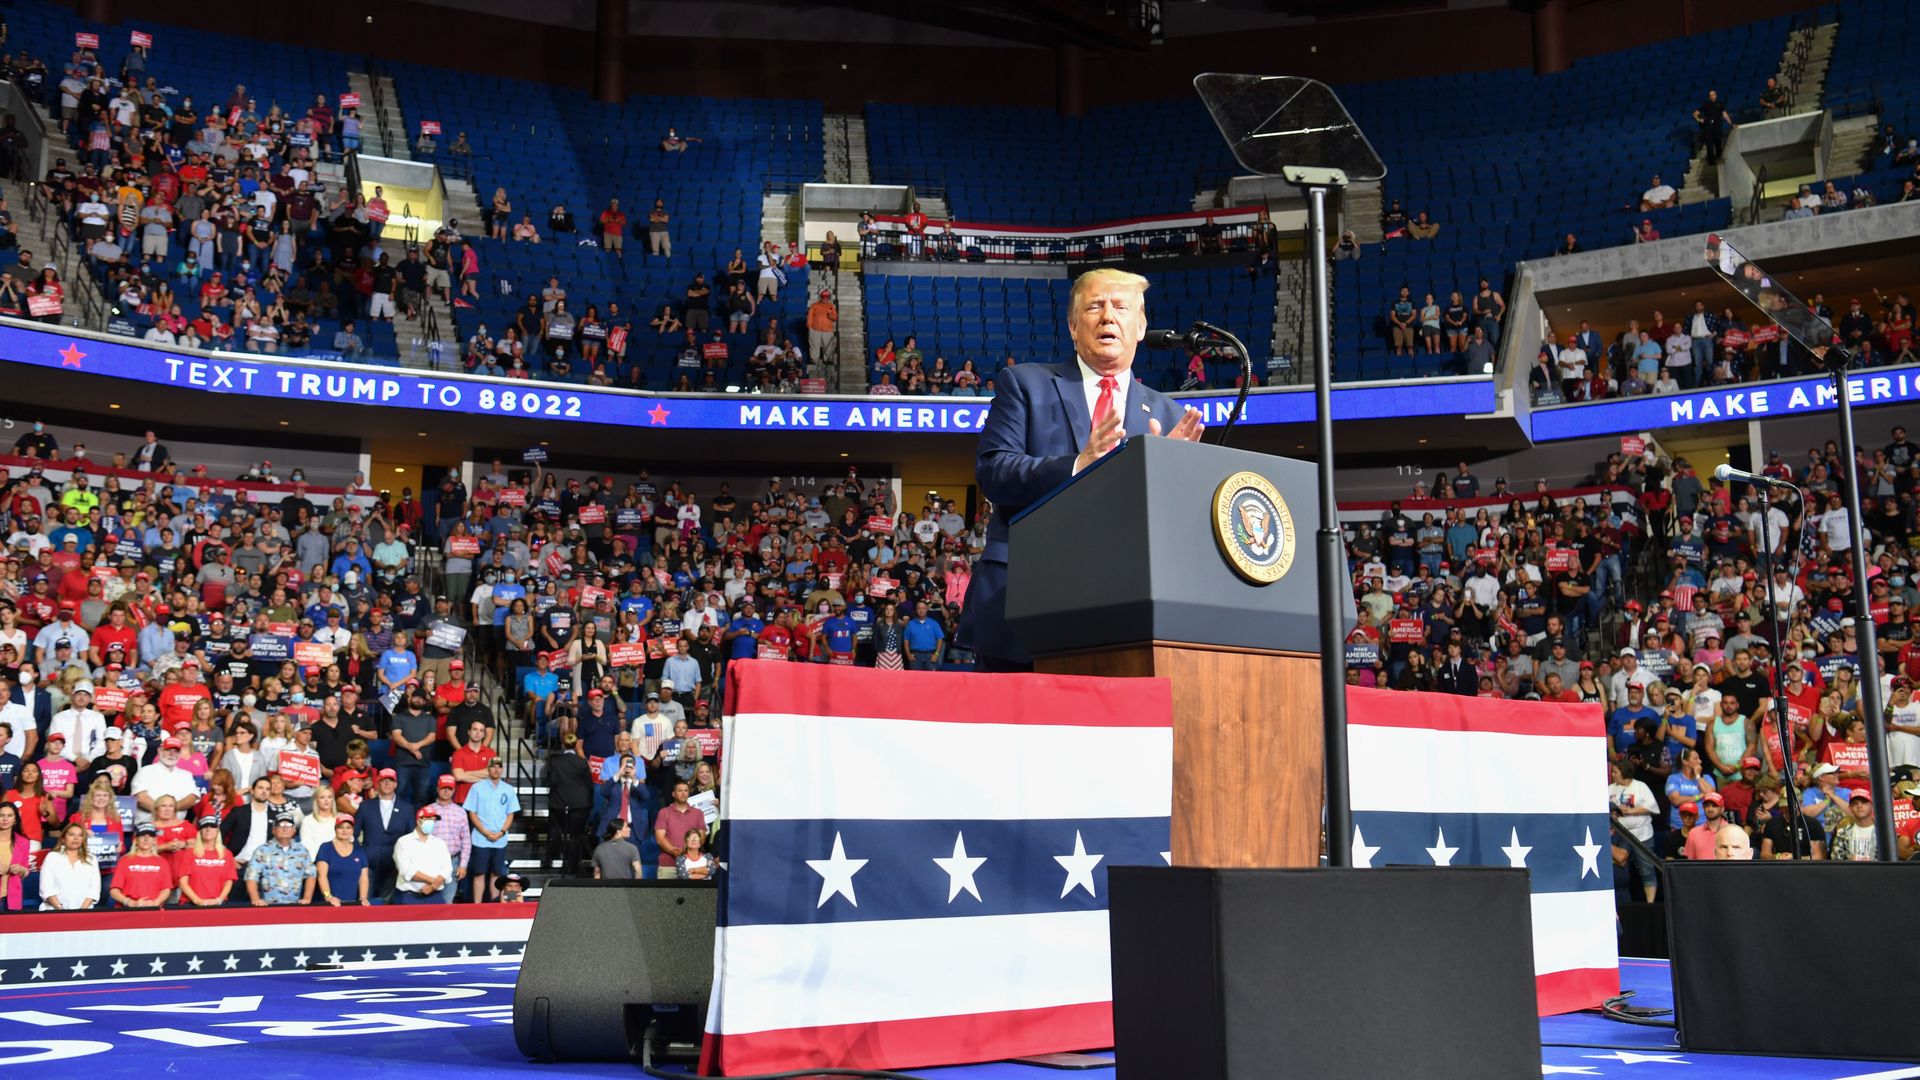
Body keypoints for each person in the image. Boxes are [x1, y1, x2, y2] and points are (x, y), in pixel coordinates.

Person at [960, 269, 1206, 671]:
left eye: (1121, 307)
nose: (1108, 316)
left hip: (1128, 612)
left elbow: (1176, 528)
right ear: (1074, 327)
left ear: (1141, 326)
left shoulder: (1169, 414)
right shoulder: (1024, 384)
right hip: (1025, 603)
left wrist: (1172, 479)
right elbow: (994, 471)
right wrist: (1078, 465)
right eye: (1095, 306)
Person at [463, 756, 519, 902]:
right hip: (481, 839)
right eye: (493, 766)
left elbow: (510, 814)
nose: (496, 769)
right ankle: (477, 906)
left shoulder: (508, 789)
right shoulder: (477, 787)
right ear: (488, 768)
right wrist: (485, 832)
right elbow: (472, 812)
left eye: (499, 766)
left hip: (500, 839)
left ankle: (494, 905)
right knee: (479, 873)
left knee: (497, 874)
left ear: (502, 769)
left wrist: (501, 832)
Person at [1608, 760, 1659, 901]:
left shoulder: (1640, 786)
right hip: (1618, 835)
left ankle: (1650, 903)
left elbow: (1653, 808)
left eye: (1615, 772)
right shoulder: (1610, 789)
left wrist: (1631, 810)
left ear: (1624, 772)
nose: (1612, 774)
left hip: (1641, 834)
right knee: (1620, 869)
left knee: (1646, 869)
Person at [245, 812, 315, 906]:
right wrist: (256, 900)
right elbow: (251, 877)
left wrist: (307, 898)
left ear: (294, 830)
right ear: (273, 830)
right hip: (267, 907)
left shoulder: (302, 851)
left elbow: (311, 874)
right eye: (280, 825)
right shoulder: (262, 850)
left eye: (289, 825)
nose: (285, 828)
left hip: (295, 906)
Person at [393, 805, 455, 903]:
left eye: (434, 820)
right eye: (429, 819)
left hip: (435, 895)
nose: (432, 823)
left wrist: (433, 886)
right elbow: (406, 870)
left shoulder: (440, 843)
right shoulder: (403, 842)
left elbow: (447, 868)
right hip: (410, 896)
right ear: (419, 821)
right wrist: (434, 882)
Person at [175, 814, 238, 906]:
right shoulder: (189, 853)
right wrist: (198, 901)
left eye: (212, 826)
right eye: (205, 827)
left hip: (218, 903)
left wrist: (219, 899)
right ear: (200, 831)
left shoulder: (227, 854)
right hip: (191, 903)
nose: (208, 829)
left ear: (217, 830)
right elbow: (183, 882)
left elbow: (228, 881)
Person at [109, 823, 174, 908]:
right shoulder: (124, 861)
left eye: (150, 836)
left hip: (154, 911)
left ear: (154, 840)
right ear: (135, 840)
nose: (146, 839)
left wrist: (155, 903)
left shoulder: (162, 862)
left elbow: (166, 889)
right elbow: (114, 890)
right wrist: (130, 902)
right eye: (142, 835)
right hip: (127, 911)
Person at [39, 821, 100, 910]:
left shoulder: (91, 859)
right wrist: (61, 910)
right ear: (63, 838)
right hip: (55, 911)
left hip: (84, 912)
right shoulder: (52, 857)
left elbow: (94, 890)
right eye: (71, 835)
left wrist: (81, 912)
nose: (76, 838)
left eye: (80, 835)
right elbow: (46, 889)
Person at [653, 780, 705, 879]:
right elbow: (660, 838)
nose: (683, 793)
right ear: (674, 793)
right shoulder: (664, 812)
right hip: (668, 866)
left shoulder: (698, 813)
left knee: (693, 895)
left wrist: (688, 853)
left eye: (686, 790)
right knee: (666, 894)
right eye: (680, 791)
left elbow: (701, 837)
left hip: (692, 865)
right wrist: (674, 851)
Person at [316, 814, 371, 905]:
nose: (344, 831)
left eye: (348, 827)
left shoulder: (359, 851)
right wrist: (328, 896)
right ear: (335, 829)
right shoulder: (325, 848)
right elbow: (322, 875)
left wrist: (363, 898)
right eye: (341, 827)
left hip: (352, 904)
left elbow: (364, 878)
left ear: (353, 830)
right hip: (329, 904)